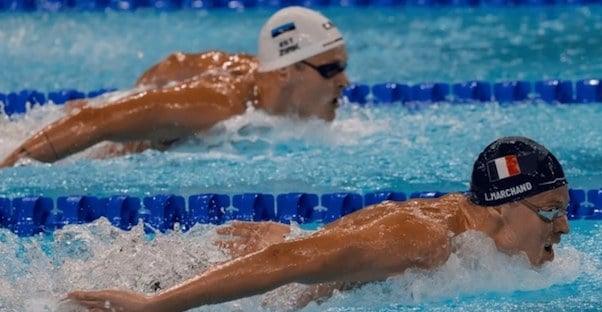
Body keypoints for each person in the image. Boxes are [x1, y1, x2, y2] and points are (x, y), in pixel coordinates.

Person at [65, 136, 571, 311]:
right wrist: (155, 306)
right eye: (551, 210)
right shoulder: (426, 240)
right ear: (503, 206)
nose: (563, 228)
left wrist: (297, 243)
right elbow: (290, 266)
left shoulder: (470, 226)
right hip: (246, 296)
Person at [0, 6, 349, 168]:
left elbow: (179, 63)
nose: (345, 82)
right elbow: (96, 121)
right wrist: (10, 169)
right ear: (287, 72)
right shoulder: (217, 105)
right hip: (98, 137)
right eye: (332, 70)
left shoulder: (262, 80)